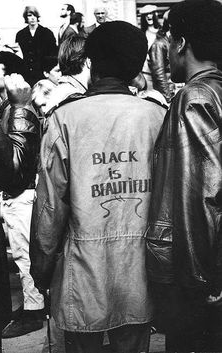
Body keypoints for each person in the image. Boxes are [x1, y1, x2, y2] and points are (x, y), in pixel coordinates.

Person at [30, 20, 166, 353]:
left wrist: (41, 270)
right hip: (141, 269)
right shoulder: (158, 116)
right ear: (136, 68)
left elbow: (50, 205)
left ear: (90, 62)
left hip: (83, 268)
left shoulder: (66, 119)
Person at [145, 0, 222, 351]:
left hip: (203, 280)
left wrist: (202, 287)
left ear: (181, 43)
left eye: (169, 37)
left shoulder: (194, 98)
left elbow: (200, 198)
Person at [0, 51, 45, 338]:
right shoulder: (7, 107)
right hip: (15, 194)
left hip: (22, 195)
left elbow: (18, 161)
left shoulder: (18, 108)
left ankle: (34, 311)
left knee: (25, 255)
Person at [16, 6, 57, 87]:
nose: (32, 18)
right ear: (26, 17)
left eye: (34, 15)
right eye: (29, 15)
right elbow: (18, 55)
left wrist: (47, 70)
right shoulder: (20, 34)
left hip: (43, 74)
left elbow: (54, 53)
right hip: (26, 75)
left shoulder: (47, 33)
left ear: (37, 17)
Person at [148, 11, 175, 104]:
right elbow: (158, 73)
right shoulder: (159, 44)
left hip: (175, 91)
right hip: (168, 94)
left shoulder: (173, 41)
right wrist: (167, 98)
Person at [140, 5, 160, 90]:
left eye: (151, 13)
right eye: (146, 14)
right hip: (147, 73)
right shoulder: (142, 34)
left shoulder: (162, 33)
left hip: (161, 74)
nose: (149, 16)